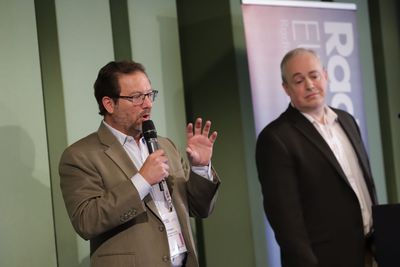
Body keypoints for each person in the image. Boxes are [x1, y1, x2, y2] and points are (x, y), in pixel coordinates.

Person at [59, 60, 220, 267]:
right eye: (136, 97)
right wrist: (142, 181)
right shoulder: (80, 155)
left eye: (149, 94)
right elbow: (86, 221)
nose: (148, 104)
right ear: (109, 104)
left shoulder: (166, 145)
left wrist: (200, 167)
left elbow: (200, 208)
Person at [256, 48, 378, 267]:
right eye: (299, 80)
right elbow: (285, 221)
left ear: (326, 75)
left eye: (314, 76)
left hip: (370, 252)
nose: (310, 85)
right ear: (286, 88)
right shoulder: (276, 138)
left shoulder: (347, 121)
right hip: (324, 260)